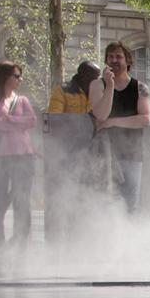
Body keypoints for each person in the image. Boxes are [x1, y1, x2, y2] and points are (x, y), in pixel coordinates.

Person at [89, 41, 150, 213]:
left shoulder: (140, 88)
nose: (114, 60)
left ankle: (127, 238)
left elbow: (145, 119)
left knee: (130, 205)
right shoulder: (97, 85)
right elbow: (101, 114)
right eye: (110, 56)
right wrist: (109, 86)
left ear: (128, 61)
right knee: (104, 204)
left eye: (119, 56)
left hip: (132, 154)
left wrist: (113, 122)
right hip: (105, 154)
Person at [43, 60, 102, 242]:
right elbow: (55, 120)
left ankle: (77, 243)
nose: (97, 81)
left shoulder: (96, 93)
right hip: (64, 155)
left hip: (87, 155)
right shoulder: (63, 91)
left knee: (81, 200)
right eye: (95, 77)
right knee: (59, 201)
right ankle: (54, 245)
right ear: (84, 76)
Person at [0, 61, 38, 253]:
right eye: (16, 76)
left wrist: (12, 119)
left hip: (24, 156)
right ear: (4, 77)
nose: (19, 80)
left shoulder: (22, 100)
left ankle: (21, 246)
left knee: (22, 202)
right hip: (0, 158)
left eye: (20, 76)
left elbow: (32, 121)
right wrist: (17, 125)